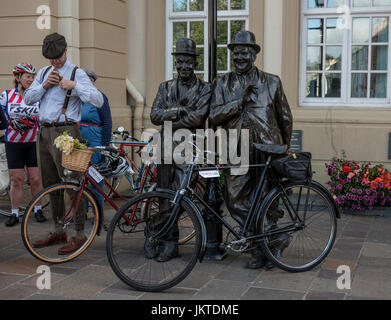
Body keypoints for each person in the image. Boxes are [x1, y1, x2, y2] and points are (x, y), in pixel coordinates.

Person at [209, 31, 293, 269]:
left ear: (254, 54)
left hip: (267, 147)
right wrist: (239, 102)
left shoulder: (272, 81)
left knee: (269, 202)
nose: (240, 57)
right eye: (236, 52)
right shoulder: (222, 83)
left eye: (245, 52)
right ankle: (274, 239)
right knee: (235, 200)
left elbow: (285, 116)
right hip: (235, 146)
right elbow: (214, 117)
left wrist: (284, 147)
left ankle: (261, 249)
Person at [24, 33, 104, 255]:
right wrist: (43, 87)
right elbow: (27, 99)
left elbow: (98, 100)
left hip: (67, 132)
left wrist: (75, 85)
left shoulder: (77, 73)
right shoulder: (42, 73)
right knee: (51, 183)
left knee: (72, 183)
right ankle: (59, 230)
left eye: (57, 57)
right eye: (51, 58)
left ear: (65, 51)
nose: (55, 62)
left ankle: (79, 234)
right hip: (45, 132)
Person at [149, 38, 212, 262]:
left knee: (180, 195)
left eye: (188, 62)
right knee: (164, 195)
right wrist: (178, 110)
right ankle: (168, 243)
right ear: (176, 63)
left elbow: (197, 118)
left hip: (190, 148)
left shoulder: (205, 88)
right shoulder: (164, 87)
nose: (184, 66)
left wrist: (169, 121)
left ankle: (155, 230)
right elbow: (154, 115)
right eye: (180, 62)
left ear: (195, 64)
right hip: (166, 147)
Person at [0, 63, 45, 227]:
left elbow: (43, 116)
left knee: (34, 178)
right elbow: (1, 118)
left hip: (32, 142)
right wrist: (10, 123)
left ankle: (38, 209)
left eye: (33, 77)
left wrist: (33, 121)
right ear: (18, 77)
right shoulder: (6, 96)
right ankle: (14, 213)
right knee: (16, 179)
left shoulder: (36, 97)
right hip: (13, 143)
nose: (31, 80)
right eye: (28, 77)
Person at [78, 68, 112, 206]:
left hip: (95, 142)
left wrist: (104, 146)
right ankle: (82, 213)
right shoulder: (78, 97)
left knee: (95, 177)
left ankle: (99, 211)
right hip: (80, 142)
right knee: (81, 179)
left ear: (91, 81)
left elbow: (107, 122)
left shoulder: (100, 97)